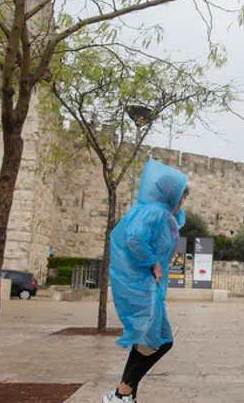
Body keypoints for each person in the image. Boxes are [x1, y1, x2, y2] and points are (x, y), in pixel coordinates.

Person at [102, 159, 189, 403]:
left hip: (149, 286)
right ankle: (122, 393)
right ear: (171, 195)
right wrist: (153, 263)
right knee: (161, 341)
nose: (182, 204)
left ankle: (125, 396)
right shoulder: (155, 212)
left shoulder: (153, 211)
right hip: (145, 287)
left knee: (145, 342)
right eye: (181, 198)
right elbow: (134, 239)